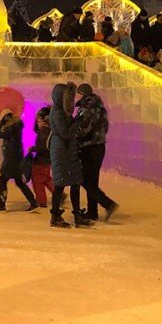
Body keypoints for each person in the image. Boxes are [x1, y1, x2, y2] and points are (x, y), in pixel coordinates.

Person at [48, 82, 92, 228]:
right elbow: (65, 133)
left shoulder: (63, 111)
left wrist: (77, 119)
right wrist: (78, 121)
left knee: (75, 183)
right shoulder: (57, 112)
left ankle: (77, 215)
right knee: (60, 184)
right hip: (61, 151)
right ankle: (55, 216)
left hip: (68, 150)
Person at [76, 83, 118, 221]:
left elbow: (83, 128)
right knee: (91, 180)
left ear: (83, 94)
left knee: (84, 179)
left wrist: (74, 135)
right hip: (99, 146)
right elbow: (105, 127)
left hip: (89, 147)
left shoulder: (88, 108)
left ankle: (107, 204)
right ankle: (92, 212)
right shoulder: (100, 107)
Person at [0, 109, 38, 211]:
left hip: (11, 159)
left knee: (2, 180)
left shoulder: (12, 128)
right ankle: (33, 202)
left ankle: (2, 204)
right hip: (16, 157)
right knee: (19, 182)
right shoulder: (16, 126)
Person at [29, 107, 54, 207]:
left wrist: (33, 149)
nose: (37, 120)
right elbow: (36, 130)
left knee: (37, 181)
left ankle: (41, 201)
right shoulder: (49, 128)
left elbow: (43, 146)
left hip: (41, 159)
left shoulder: (44, 130)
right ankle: (59, 195)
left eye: (38, 118)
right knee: (46, 178)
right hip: (48, 159)